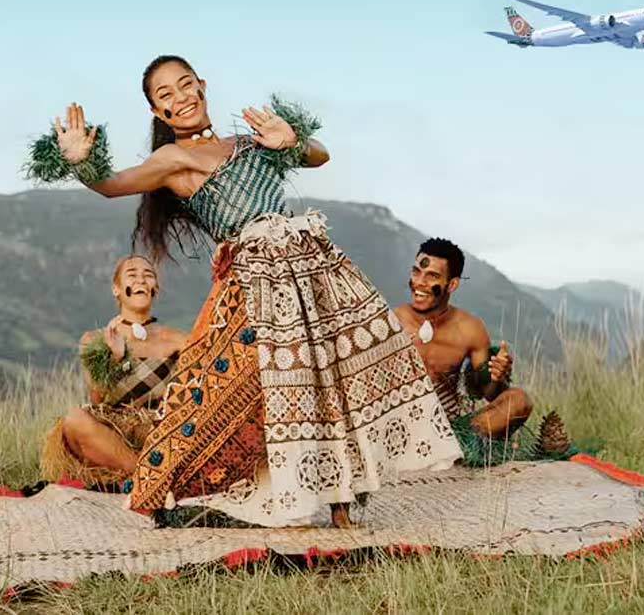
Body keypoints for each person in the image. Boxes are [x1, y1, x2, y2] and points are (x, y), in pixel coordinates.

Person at [48, 55, 461, 527]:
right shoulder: (172, 160)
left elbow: (318, 154)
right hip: (255, 284)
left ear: (202, 85)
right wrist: (81, 161)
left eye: (185, 85)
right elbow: (110, 184)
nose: (180, 98)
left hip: (314, 272)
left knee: (331, 380)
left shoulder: (247, 140)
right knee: (225, 390)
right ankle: (170, 488)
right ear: (158, 114)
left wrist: (292, 140)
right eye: (166, 96)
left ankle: (343, 505)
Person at [40, 255, 186, 485]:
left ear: (154, 289)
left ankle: (146, 478)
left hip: (157, 432)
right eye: (132, 275)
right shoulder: (94, 340)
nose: (141, 280)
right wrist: (117, 359)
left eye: (148, 276)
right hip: (111, 435)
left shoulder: (177, 339)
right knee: (74, 419)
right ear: (116, 290)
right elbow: (97, 399)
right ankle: (147, 477)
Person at [393, 238, 533, 450]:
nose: (419, 282)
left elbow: (490, 393)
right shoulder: (391, 322)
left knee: (519, 401)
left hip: (451, 431)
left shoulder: (470, 329)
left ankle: (453, 448)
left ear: (452, 284)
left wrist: (496, 375)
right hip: (395, 427)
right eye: (416, 272)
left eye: (432, 276)